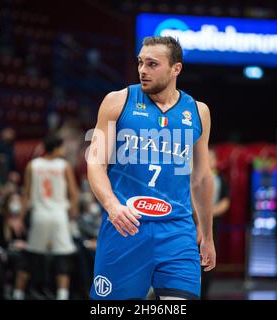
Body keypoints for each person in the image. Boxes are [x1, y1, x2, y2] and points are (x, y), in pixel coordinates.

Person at [87, 36, 216, 300]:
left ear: (175, 69)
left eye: (152, 64)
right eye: (140, 63)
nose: (143, 70)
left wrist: (208, 234)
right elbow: (95, 162)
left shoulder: (198, 111)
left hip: (177, 230)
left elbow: (201, 178)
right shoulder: (116, 101)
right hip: (126, 226)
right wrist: (112, 205)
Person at [13, 134, 80, 300]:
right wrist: (74, 212)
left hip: (39, 215)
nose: (64, 150)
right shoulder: (64, 166)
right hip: (59, 215)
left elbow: (26, 194)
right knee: (62, 257)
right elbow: (73, 193)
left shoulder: (32, 165)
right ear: (56, 148)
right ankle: (62, 295)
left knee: (30, 256)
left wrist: (20, 218)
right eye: (62, 147)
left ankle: (17, 293)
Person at [200, 148, 230, 299]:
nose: (208, 160)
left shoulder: (220, 179)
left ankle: (204, 293)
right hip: (193, 226)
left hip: (212, 226)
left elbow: (226, 201)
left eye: (210, 158)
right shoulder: (194, 176)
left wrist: (210, 213)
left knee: (209, 260)